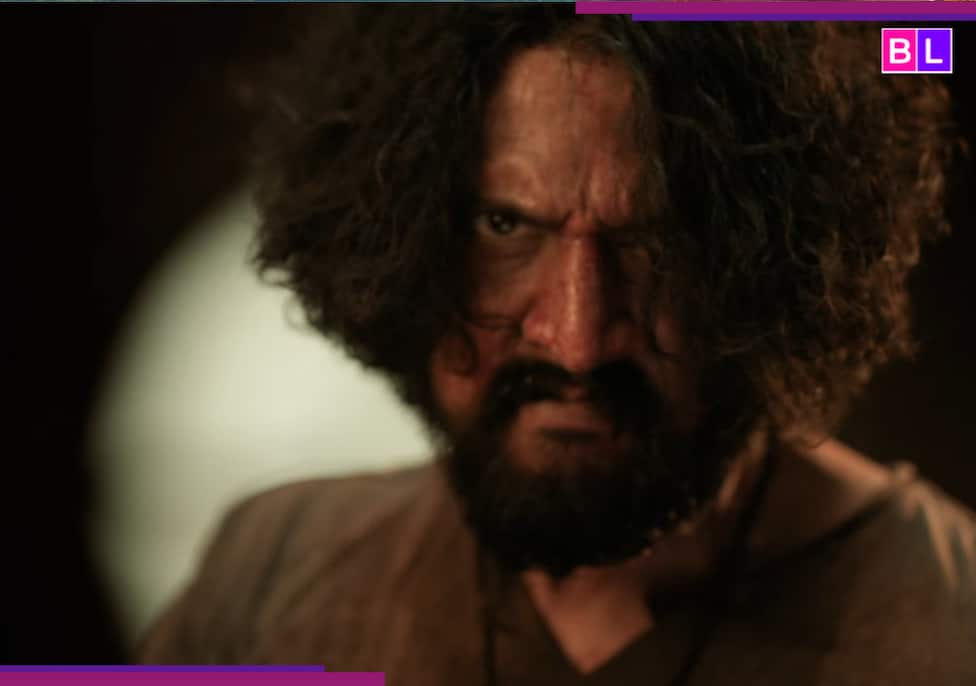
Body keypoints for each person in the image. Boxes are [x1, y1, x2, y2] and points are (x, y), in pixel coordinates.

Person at [139, 7, 975, 684]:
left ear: (765, 261)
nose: (576, 341)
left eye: (654, 241)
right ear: (404, 242)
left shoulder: (950, 623)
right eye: (506, 225)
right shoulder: (268, 580)